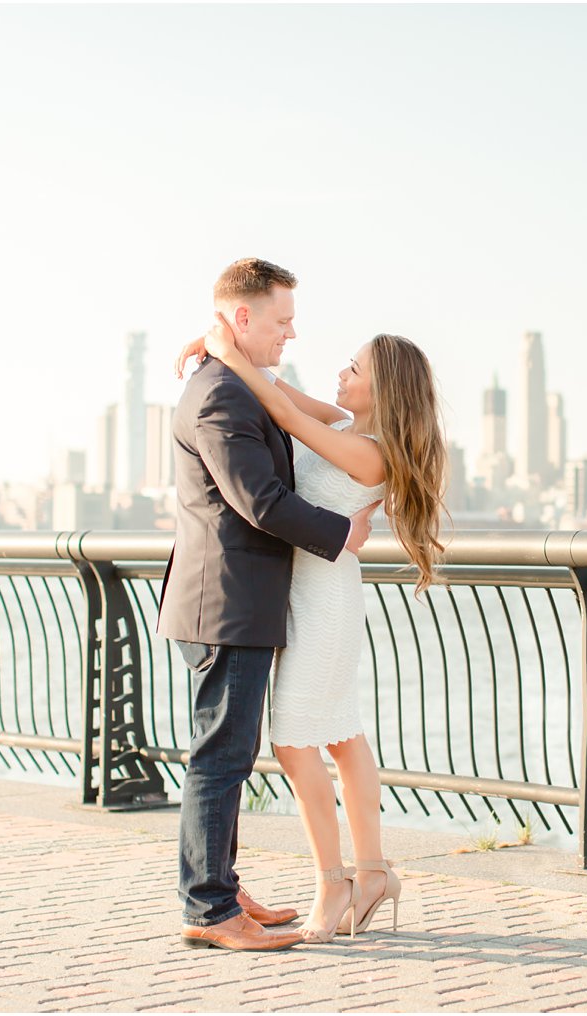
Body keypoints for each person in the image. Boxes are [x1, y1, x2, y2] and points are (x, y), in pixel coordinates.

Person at [174, 308, 446, 943]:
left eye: (355, 368)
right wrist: (226, 349)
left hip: (322, 602)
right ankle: (372, 872)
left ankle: (335, 882)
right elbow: (281, 393)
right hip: (301, 593)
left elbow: (286, 414)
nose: (341, 373)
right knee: (343, 736)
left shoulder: (368, 452)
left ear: (385, 391)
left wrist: (225, 346)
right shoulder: (346, 424)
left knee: (297, 743)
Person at [157, 258, 382, 952]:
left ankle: (219, 884)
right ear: (244, 317)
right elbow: (260, 502)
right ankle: (210, 907)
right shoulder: (223, 395)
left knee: (229, 751)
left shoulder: (236, 383)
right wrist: (344, 534)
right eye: (282, 320)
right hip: (228, 602)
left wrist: (217, 342)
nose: (293, 332)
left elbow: (286, 401)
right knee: (221, 756)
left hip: (248, 600)